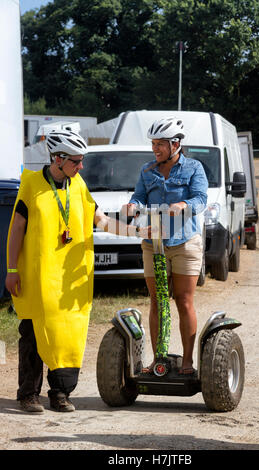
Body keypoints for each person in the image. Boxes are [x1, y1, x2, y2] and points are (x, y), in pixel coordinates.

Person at [5, 130, 150, 413]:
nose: (80, 166)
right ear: (57, 159)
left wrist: (135, 231)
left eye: (81, 160)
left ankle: (60, 393)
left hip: (71, 278)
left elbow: (101, 220)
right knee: (34, 332)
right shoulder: (32, 185)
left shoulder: (78, 185)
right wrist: (11, 269)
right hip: (38, 276)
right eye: (75, 161)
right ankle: (28, 395)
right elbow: (16, 230)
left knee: (69, 333)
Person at [122, 117, 208, 375]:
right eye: (153, 144)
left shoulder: (194, 168)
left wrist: (184, 205)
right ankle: (158, 359)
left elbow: (201, 198)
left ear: (176, 144)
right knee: (157, 300)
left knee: (183, 301)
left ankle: (187, 361)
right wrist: (133, 206)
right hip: (153, 242)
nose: (155, 149)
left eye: (160, 144)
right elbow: (138, 196)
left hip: (184, 243)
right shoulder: (147, 171)